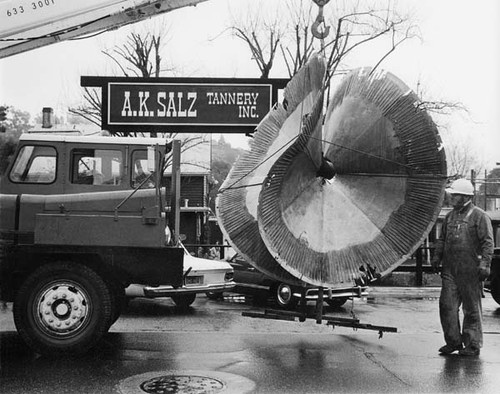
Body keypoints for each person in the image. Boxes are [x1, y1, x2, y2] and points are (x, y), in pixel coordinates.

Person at [431, 178, 494, 356]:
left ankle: (472, 345)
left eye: (455, 195)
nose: (451, 198)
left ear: (465, 196)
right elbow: (442, 239)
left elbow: (488, 243)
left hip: (470, 271)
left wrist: (485, 264)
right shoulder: (450, 216)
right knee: (446, 306)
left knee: (471, 309)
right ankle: (453, 342)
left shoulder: (479, 216)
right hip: (450, 270)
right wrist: (436, 257)